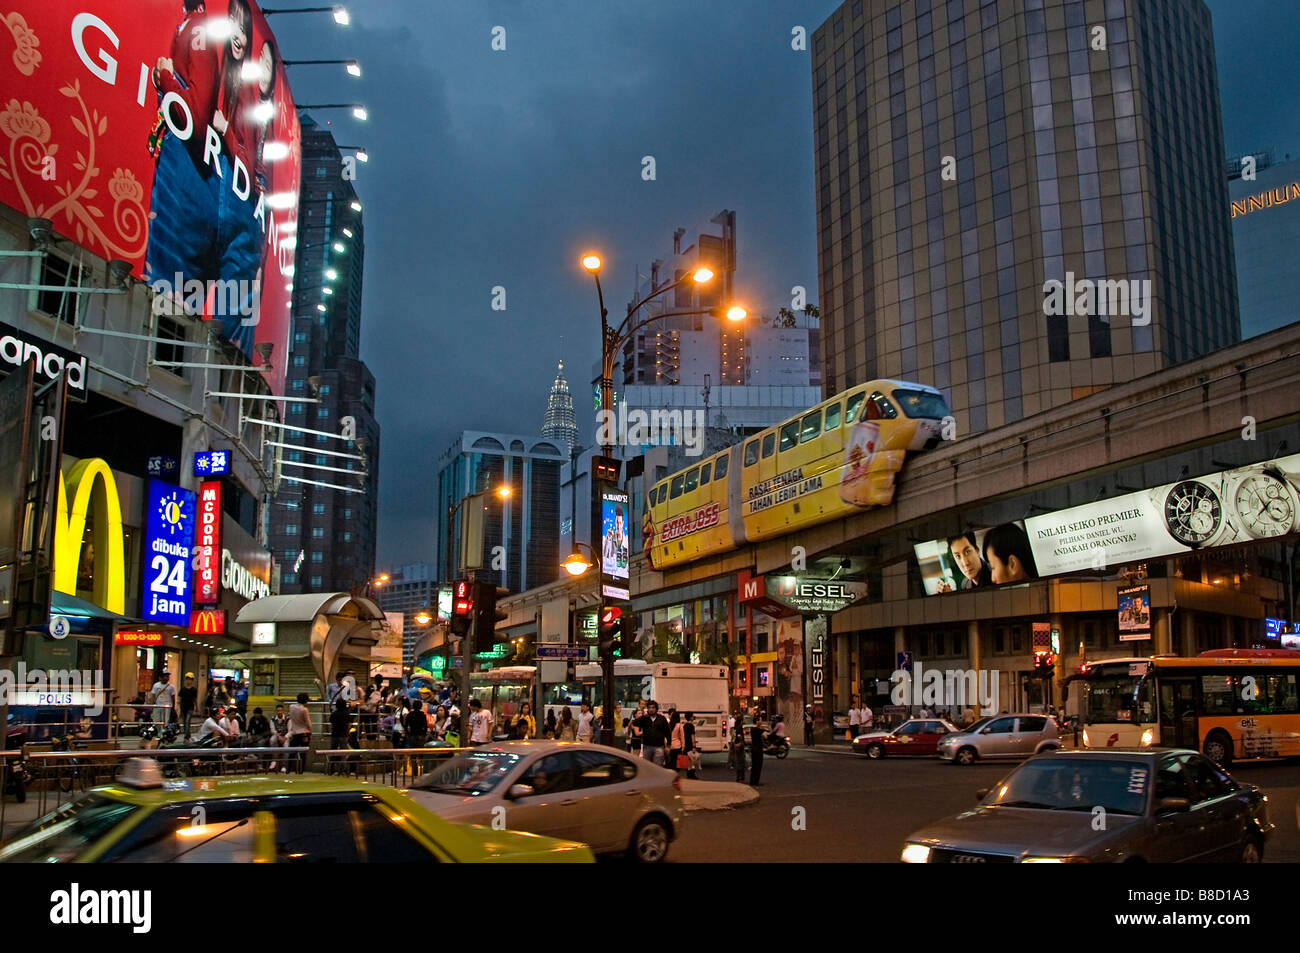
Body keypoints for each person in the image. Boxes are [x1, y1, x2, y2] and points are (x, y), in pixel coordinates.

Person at [633, 701, 670, 765]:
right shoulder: (645, 718)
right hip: (647, 746)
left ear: (656, 709)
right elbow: (635, 723)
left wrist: (668, 746)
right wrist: (643, 716)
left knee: (657, 767)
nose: (651, 709)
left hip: (659, 747)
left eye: (653, 707)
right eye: (649, 708)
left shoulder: (662, 719)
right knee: (647, 767)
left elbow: (668, 732)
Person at [286, 692, 312, 773]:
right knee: (303, 753)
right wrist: (311, 731)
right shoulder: (304, 710)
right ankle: (301, 770)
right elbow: (308, 722)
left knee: (292, 752)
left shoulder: (291, 707)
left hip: (294, 732)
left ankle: (288, 769)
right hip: (304, 732)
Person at [178, 673, 198, 740]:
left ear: (192, 681)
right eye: (187, 679)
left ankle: (186, 736)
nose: (189, 681)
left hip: (190, 707)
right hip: (183, 707)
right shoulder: (182, 689)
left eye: (190, 679)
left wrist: (196, 707)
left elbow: (195, 699)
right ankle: (187, 734)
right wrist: (178, 707)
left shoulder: (194, 690)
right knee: (184, 722)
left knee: (187, 721)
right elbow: (180, 698)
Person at [749, 713, 766, 786]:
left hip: (753, 749)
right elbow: (765, 736)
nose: (761, 722)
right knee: (758, 765)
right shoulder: (758, 730)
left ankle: (752, 781)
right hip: (758, 750)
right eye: (760, 720)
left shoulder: (752, 729)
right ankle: (756, 781)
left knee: (754, 765)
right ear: (757, 721)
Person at [683, 712, 699, 779]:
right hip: (690, 745)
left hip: (686, 744)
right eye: (692, 716)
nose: (693, 717)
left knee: (688, 760)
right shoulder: (691, 726)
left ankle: (688, 774)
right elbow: (692, 736)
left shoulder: (684, 725)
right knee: (692, 760)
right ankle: (692, 775)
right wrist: (694, 746)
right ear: (690, 717)